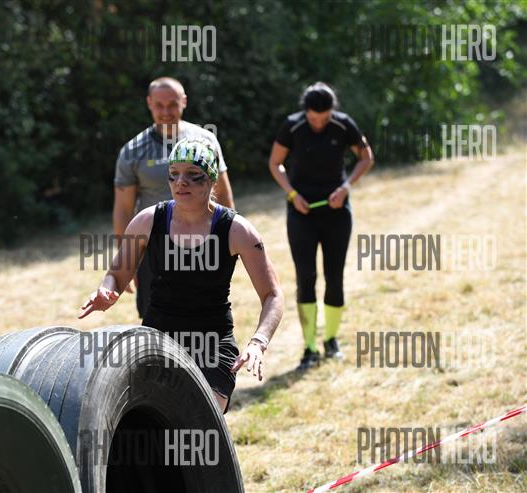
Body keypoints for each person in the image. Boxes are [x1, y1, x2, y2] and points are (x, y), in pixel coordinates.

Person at [82, 138, 282, 413]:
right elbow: (116, 274)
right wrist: (107, 290)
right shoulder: (147, 221)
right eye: (174, 174)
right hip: (157, 342)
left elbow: (272, 295)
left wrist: (258, 342)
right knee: (147, 425)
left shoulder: (237, 230)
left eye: (193, 174)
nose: (181, 182)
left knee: (198, 418)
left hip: (212, 348)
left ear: (212, 179)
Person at [267, 82, 374, 371]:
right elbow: (275, 164)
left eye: (324, 118)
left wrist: (346, 187)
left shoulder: (343, 125)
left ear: (332, 112)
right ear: (305, 112)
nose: (318, 124)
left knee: (334, 277)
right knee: (306, 278)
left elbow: (366, 157)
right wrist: (292, 194)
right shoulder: (292, 126)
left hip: (336, 212)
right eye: (314, 118)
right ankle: (310, 347)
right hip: (301, 212)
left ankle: (331, 340)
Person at [113, 77, 235, 320]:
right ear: (149, 103)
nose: (166, 112)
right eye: (159, 105)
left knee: (205, 313)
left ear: (184, 102)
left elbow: (223, 193)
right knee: (155, 318)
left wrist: (227, 241)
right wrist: (126, 260)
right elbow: (123, 209)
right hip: (154, 247)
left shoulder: (205, 140)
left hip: (202, 242)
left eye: (172, 105)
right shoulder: (133, 151)